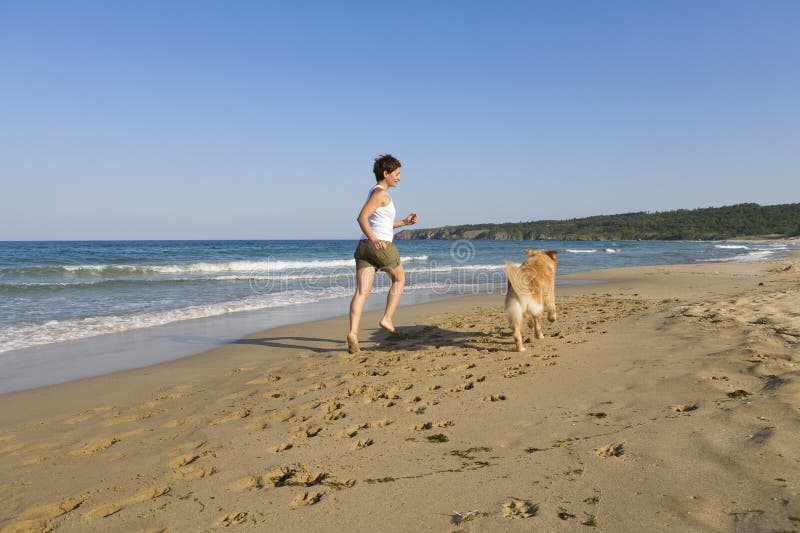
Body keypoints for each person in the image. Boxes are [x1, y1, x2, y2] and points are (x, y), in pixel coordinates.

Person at [347, 154, 418, 354]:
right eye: (396, 174)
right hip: (379, 245)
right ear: (385, 173)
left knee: (362, 292)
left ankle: (353, 333)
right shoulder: (380, 194)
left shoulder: (374, 193)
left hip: (363, 248)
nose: (399, 178)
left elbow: (383, 224)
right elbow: (361, 218)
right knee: (400, 279)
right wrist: (374, 239)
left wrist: (404, 222)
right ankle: (387, 318)